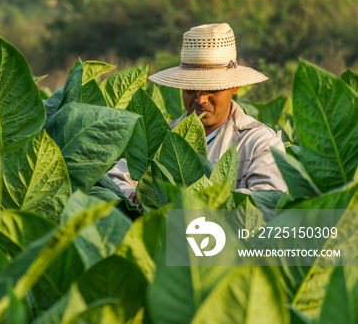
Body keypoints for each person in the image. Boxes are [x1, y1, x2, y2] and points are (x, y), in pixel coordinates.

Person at [108, 23, 287, 200]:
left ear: (234, 87)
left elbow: (267, 198)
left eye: (212, 90)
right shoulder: (163, 135)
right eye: (191, 89)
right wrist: (133, 196)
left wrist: (194, 200)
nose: (200, 100)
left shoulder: (259, 142)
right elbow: (115, 179)